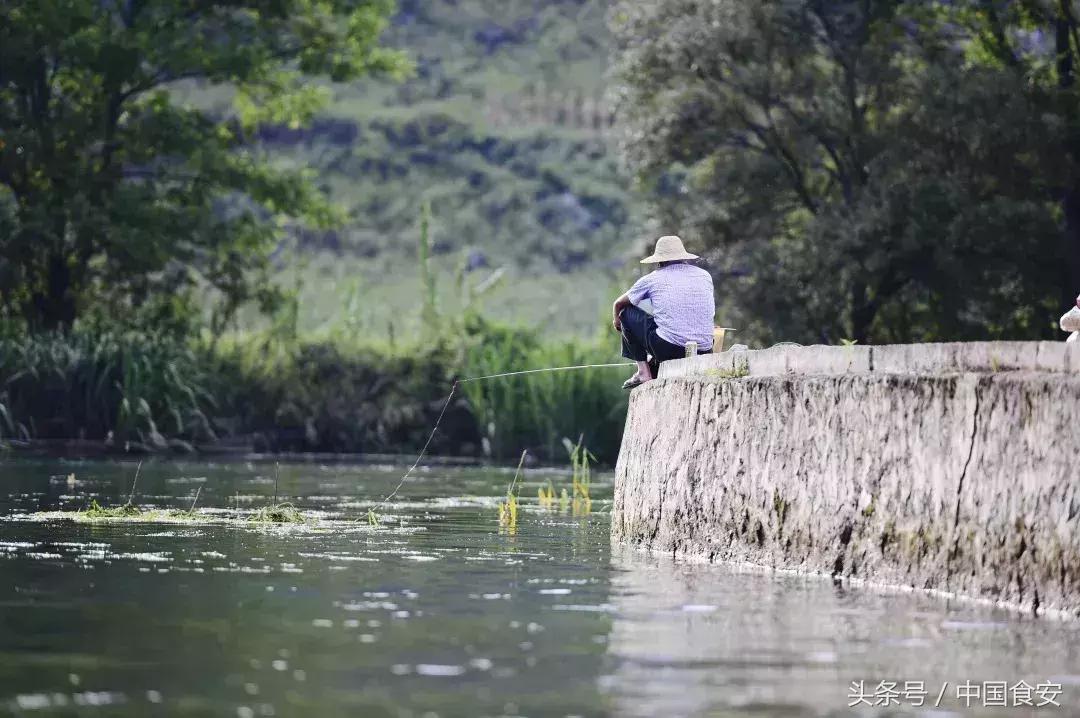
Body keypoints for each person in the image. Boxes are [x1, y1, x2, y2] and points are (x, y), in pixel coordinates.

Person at [612, 235, 715, 389]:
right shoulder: (704, 276)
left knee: (625, 313)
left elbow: (619, 303)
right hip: (705, 350)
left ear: (659, 261)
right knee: (666, 326)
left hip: (671, 350)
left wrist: (617, 321)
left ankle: (643, 372)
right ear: (683, 257)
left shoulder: (653, 279)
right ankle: (653, 366)